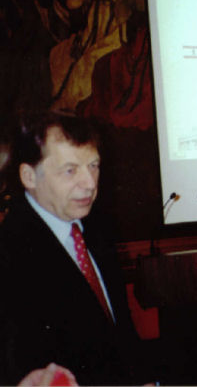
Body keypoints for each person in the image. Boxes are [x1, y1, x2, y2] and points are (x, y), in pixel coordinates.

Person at [0, 111, 145, 385]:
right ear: (29, 176)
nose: (90, 183)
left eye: (93, 165)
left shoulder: (95, 229)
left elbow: (119, 332)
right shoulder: (9, 252)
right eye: (70, 170)